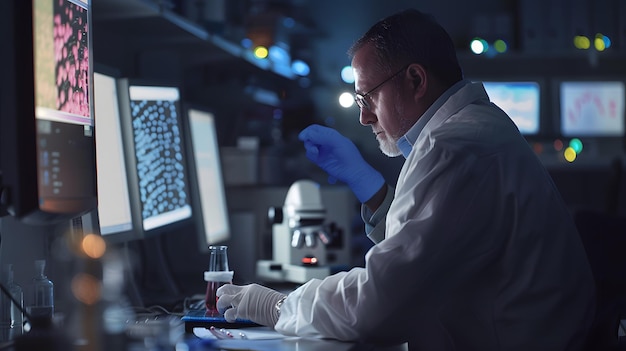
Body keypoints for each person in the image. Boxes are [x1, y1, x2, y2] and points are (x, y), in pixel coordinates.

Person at [216, 8, 596, 350]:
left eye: (368, 98)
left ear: (415, 80)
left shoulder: (454, 148)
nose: (364, 118)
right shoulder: (475, 129)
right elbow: (429, 248)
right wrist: (368, 184)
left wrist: (276, 305)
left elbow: (379, 306)